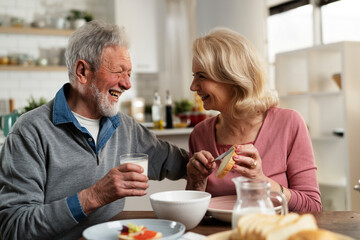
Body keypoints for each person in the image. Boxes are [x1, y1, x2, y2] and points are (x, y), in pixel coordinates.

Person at [0, 20, 189, 240]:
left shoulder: (125, 127)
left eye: (129, 73)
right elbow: (12, 227)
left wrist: (202, 161)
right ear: (82, 71)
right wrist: (94, 196)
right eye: (119, 72)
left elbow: (178, 163)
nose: (127, 84)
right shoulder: (30, 132)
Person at [186, 27, 321, 212]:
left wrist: (261, 181)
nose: (193, 86)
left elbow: (312, 206)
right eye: (194, 76)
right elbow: (195, 211)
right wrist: (196, 182)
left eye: (201, 76)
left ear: (233, 78)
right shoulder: (199, 134)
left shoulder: (289, 123)